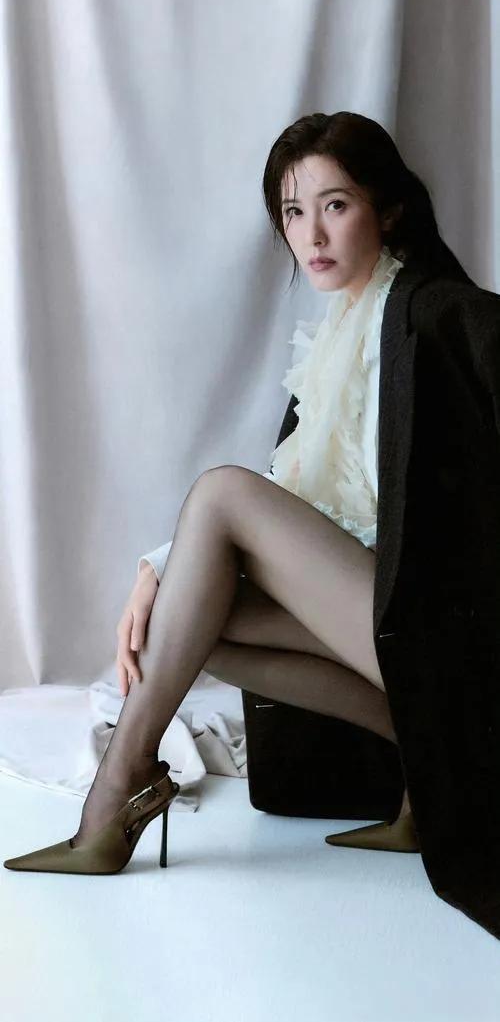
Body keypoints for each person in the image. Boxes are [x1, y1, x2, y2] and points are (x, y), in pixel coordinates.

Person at [4, 112, 500, 943]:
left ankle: (117, 792)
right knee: (192, 622)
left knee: (222, 494)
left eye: (336, 205)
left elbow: (259, 510)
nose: (312, 235)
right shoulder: (342, 333)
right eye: (294, 212)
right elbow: (299, 512)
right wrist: (157, 569)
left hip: (450, 632)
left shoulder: (436, 313)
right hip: (393, 623)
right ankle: (426, 777)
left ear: (388, 209)